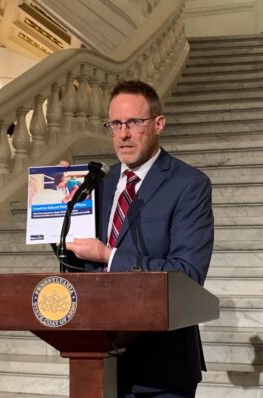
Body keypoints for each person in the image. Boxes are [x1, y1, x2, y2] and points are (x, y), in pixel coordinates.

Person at [66, 80, 214, 397]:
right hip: (99, 360)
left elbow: (188, 274)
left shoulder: (189, 185)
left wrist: (111, 257)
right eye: (115, 124)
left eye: (134, 122)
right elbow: (76, 264)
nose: (123, 134)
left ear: (158, 123)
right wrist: (55, 204)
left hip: (162, 367)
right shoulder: (96, 186)